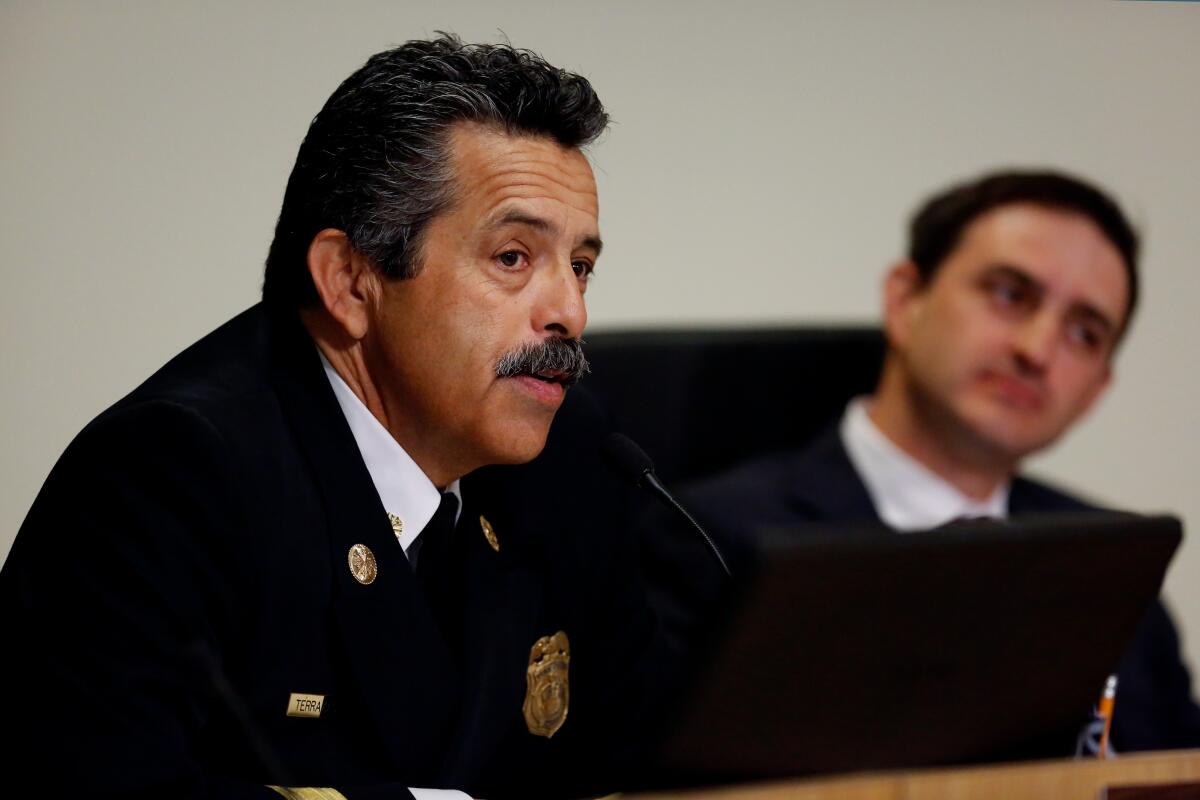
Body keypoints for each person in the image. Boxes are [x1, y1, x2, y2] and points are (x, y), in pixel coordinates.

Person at [0, 35, 661, 799]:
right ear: (350, 283)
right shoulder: (170, 477)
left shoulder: (573, 454)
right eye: (513, 257)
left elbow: (641, 757)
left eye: (580, 266)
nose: (570, 312)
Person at [646, 169, 1200, 753]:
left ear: (1098, 388)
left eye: (1085, 333)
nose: (1037, 350)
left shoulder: (1117, 570)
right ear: (905, 298)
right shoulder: (706, 540)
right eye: (1011, 295)